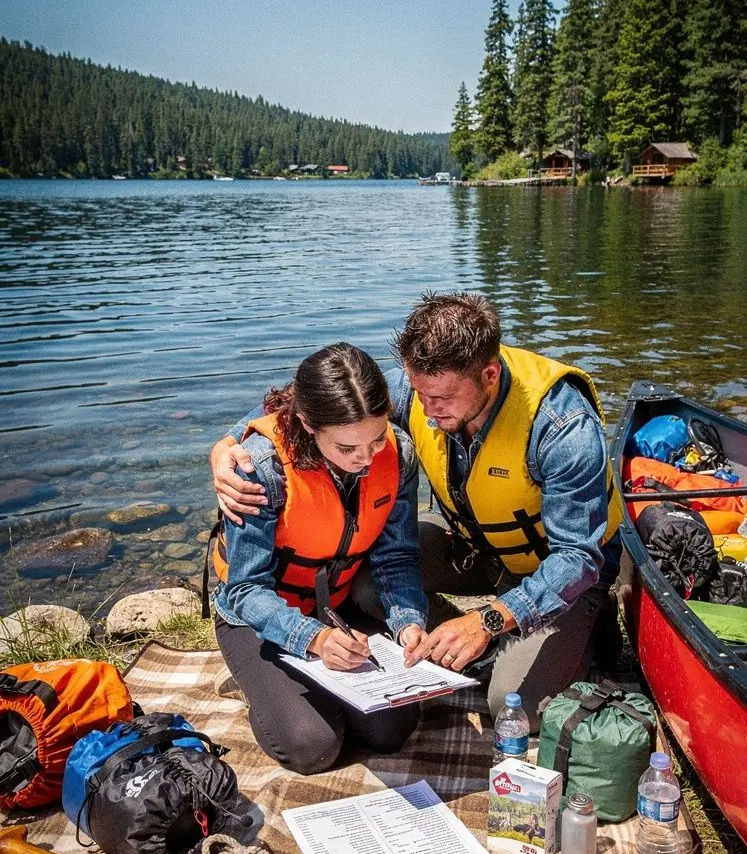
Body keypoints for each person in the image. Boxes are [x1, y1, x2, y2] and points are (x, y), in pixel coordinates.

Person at [211, 293, 622, 732]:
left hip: (562, 571)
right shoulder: (422, 388)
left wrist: (487, 620)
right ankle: (449, 642)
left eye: (442, 398)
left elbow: (578, 558)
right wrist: (227, 446)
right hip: (474, 552)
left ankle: (584, 632)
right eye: (419, 392)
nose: (426, 409)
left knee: (511, 705)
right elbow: (309, 407)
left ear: (489, 374)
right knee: (370, 584)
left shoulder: (563, 426)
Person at [209, 342, 428, 774]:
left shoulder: (397, 453)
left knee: (392, 729)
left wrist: (408, 621)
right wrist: (314, 640)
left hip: (335, 605)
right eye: (348, 448)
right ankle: (260, 685)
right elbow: (245, 590)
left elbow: (397, 556)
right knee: (313, 746)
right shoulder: (259, 469)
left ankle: (307, 682)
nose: (366, 460)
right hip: (254, 616)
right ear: (309, 424)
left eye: (377, 438)